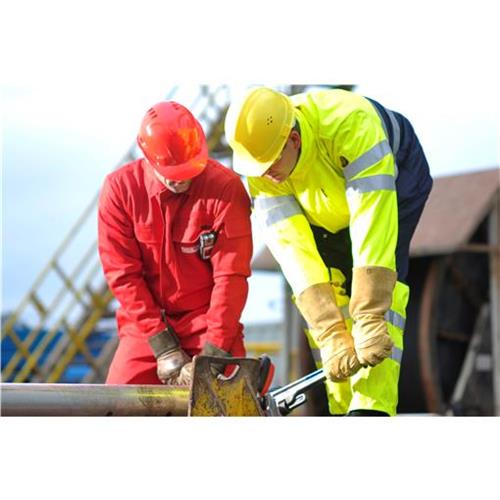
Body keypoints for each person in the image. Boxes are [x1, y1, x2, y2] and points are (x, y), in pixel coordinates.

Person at [225, 86, 433, 416]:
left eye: (269, 164)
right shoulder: (263, 164)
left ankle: (372, 408)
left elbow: (372, 228)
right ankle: (342, 407)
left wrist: (369, 314)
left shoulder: (351, 124)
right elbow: (294, 251)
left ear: (294, 140)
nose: (264, 174)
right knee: (329, 295)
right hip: (322, 198)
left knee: (381, 287)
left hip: (396, 175)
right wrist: (330, 331)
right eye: (257, 168)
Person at [98, 101, 253, 386]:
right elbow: (123, 275)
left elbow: (231, 276)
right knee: (118, 401)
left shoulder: (226, 189)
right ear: (147, 156)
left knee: (232, 396)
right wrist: (162, 345)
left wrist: (214, 354)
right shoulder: (121, 191)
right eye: (172, 173)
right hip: (145, 327)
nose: (181, 181)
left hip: (208, 321)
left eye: (188, 172)